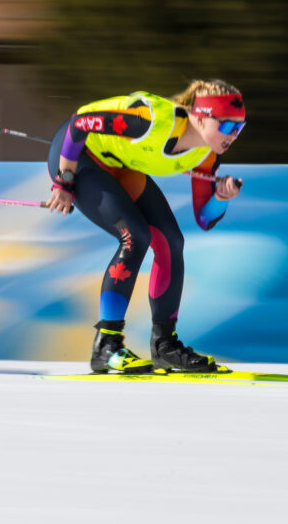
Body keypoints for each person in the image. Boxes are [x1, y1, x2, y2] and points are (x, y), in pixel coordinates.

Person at [46, 80, 245, 374]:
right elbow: (79, 124)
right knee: (134, 236)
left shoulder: (207, 152)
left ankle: (165, 346)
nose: (234, 136)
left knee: (171, 241)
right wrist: (63, 180)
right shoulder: (153, 123)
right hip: (79, 156)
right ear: (201, 117)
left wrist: (220, 198)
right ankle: (106, 346)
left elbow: (205, 218)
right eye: (228, 127)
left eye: (240, 128)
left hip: (120, 162)